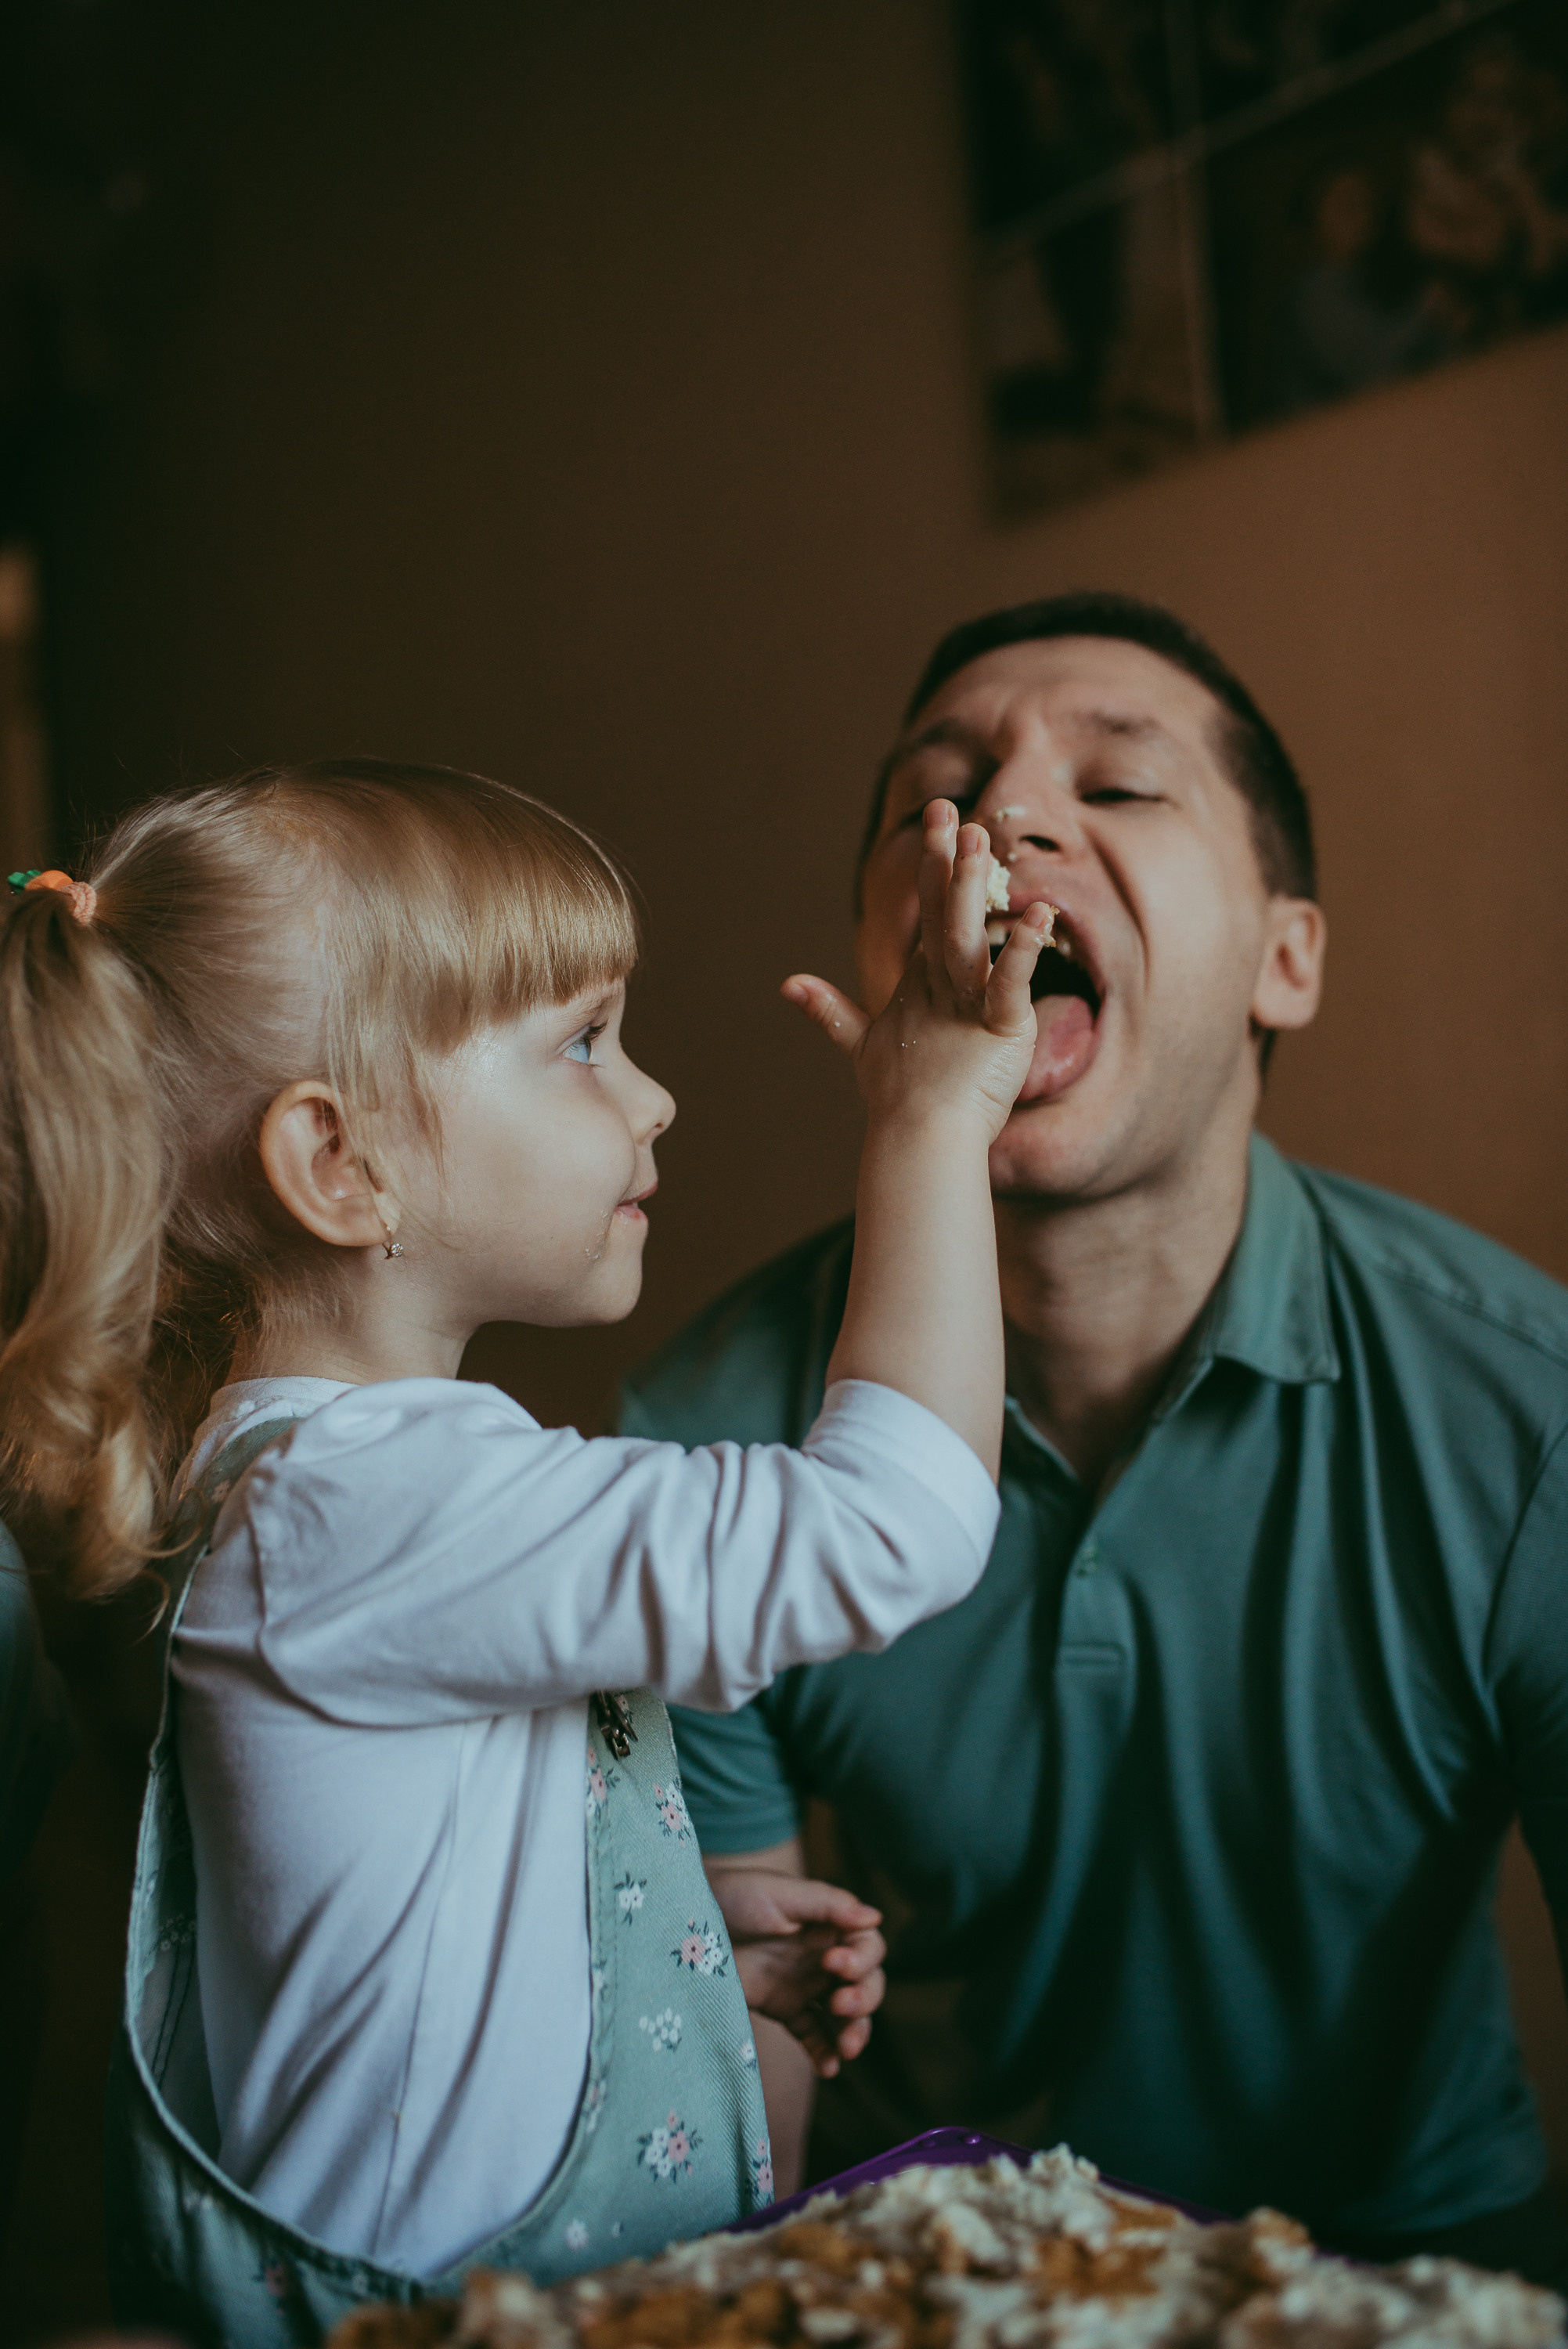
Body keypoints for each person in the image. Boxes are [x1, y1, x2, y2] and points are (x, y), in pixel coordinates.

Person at [0, 770, 1053, 2339]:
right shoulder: (376, 1500)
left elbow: (358, 1917)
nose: (652, 1098)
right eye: (582, 1042)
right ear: (341, 1166)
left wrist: (634, 1929)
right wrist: (932, 1121)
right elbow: (884, 1528)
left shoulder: (305, 1486)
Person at [622, 592, 1568, 2289]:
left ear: (1292, 955)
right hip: (933, 2262)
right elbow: (735, 2088)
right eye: (946, 788)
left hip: (1415, 2264)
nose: (1006, 818)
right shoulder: (704, 1457)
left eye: (1118, 786)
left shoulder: (1529, 1417)